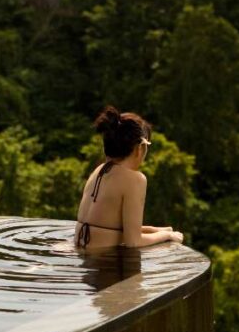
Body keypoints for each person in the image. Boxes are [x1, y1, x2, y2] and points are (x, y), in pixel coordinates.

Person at [73, 106, 185, 250]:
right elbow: (133, 241)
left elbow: (108, 227)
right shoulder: (135, 179)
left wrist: (154, 230)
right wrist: (166, 235)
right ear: (140, 148)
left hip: (81, 252)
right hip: (102, 259)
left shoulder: (98, 171)